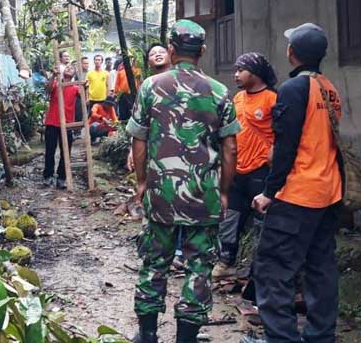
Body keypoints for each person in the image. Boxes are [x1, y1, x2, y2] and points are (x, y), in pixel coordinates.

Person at [128, 20, 240, 343]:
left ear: (172, 50)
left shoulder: (151, 87)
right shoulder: (219, 92)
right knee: (199, 266)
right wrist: (223, 191)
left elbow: (139, 139)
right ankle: (187, 337)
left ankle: (148, 334)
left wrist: (141, 182)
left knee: (154, 261)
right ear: (202, 52)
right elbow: (230, 148)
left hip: (161, 192)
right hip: (202, 194)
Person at [243, 24, 343, 343]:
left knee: (273, 270)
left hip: (298, 194)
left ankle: (281, 338)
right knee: (320, 267)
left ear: (292, 52)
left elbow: (285, 146)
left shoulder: (293, 89)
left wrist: (268, 192)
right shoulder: (328, 88)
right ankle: (320, 336)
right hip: (329, 193)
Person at [213, 52, 278, 282]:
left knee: (262, 224)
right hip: (237, 169)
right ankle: (226, 261)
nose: (236, 75)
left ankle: (258, 270)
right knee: (230, 217)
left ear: (256, 72)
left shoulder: (272, 99)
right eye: (236, 70)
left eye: (241, 70)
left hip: (261, 170)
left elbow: (283, 133)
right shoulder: (238, 98)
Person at [42, 64, 80, 189]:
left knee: (66, 153)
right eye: (67, 67)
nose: (69, 69)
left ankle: (61, 178)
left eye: (72, 68)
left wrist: (85, 87)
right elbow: (47, 90)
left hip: (67, 124)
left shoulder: (75, 87)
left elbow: (85, 101)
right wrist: (53, 75)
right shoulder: (56, 83)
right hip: (52, 122)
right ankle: (48, 176)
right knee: (50, 151)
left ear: (74, 73)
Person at [115, 56, 142, 120]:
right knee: (122, 112)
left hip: (133, 94)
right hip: (122, 95)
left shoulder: (137, 71)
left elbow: (139, 83)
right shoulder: (121, 72)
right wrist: (116, 95)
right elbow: (117, 84)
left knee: (132, 112)